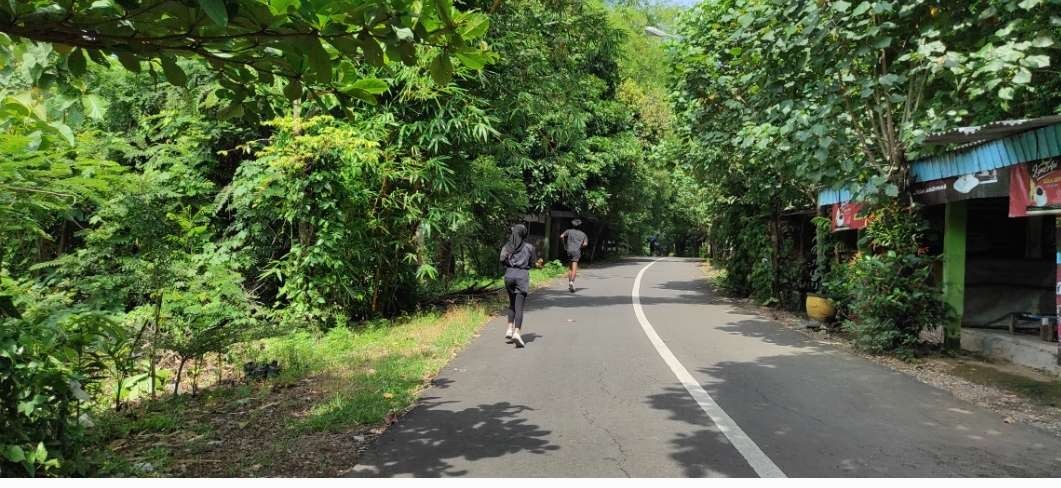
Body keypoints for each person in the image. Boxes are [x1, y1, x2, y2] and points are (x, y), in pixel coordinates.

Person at [500, 223, 537, 348]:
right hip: (522, 276)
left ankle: (509, 328)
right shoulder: (529, 247)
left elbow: (501, 259)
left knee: (512, 304)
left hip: (509, 276)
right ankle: (516, 332)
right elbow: (533, 262)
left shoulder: (508, 246)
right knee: (519, 307)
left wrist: (509, 265)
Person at [560, 219, 589, 293]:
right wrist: (580, 247)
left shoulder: (568, 231)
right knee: (574, 268)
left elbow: (561, 236)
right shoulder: (583, 234)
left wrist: (564, 245)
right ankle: (572, 282)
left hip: (569, 250)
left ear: (572, 225)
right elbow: (585, 244)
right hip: (576, 251)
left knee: (570, 268)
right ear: (580, 226)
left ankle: (570, 283)